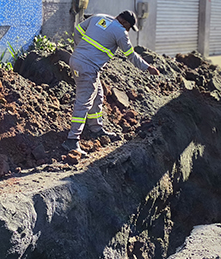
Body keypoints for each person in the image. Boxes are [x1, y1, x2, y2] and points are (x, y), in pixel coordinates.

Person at [64, 10, 159, 155]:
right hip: (88, 68)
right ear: (124, 22)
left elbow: (78, 30)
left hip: (76, 60)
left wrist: (79, 50)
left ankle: (96, 129)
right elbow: (131, 55)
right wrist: (148, 68)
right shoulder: (120, 32)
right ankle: (72, 140)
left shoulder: (98, 17)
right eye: (129, 27)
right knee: (84, 102)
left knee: (98, 95)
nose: (128, 31)